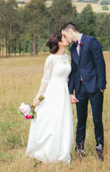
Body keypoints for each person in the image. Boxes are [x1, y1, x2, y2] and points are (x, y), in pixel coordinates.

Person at [26, 32, 74, 163]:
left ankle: (62, 152)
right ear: (59, 42)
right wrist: (38, 97)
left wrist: (70, 93)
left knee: (62, 121)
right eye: (63, 37)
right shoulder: (50, 59)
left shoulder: (66, 57)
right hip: (53, 91)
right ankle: (47, 151)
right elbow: (45, 80)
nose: (66, 38)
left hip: (63, 91)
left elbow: (69, 78)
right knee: (51, 120)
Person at [61, 22, 107, 161]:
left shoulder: (92, 42)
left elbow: (100, 63)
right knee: (81, 120)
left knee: (97, 119)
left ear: (70, 31)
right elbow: (74, 70)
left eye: (64, 35)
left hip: (95, 88)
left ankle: (99, 148)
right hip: (80, 90)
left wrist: (101, 86)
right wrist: (70, 92)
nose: (64, 38)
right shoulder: (73, 49)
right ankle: (79, 149)